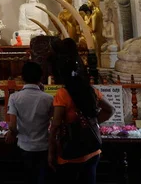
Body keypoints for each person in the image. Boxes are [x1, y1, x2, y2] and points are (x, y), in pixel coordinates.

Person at [49, 38, 115, 184]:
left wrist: (51, 151)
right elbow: (110, 109)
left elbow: (56, 125)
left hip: (72, 151)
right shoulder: (90, 90)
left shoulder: (63, 93)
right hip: (93, 150)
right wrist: (92, 121)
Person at [6, 61, 54, 184]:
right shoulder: (48, 98)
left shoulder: (14, 97)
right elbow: (54, 121)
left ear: (22, 78)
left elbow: (12, 125)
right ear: (41, 78)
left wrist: (12, 132)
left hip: (24, 145)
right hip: (43, 146)